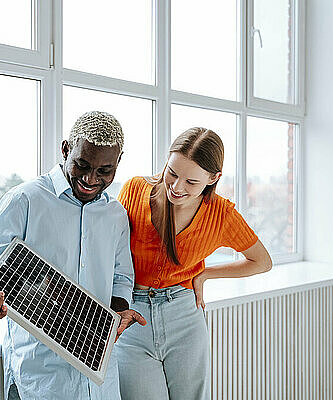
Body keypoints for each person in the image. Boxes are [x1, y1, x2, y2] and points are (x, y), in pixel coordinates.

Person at [0, 111, 147, 400]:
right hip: (40, 372)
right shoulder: (26, 199)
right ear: (66, 150)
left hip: (99, 371)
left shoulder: (115, 215)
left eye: (104, 171)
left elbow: (121, 276)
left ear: (118, 162)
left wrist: (117, 313)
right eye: (82, 165)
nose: (91, 179)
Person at [114, 127, 272, 400]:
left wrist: (205, 274)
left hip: (184, 317)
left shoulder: (222, 214)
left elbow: (261, 261)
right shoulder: (134, 190)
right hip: (131, 317)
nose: (177, 187)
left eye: (191, 182)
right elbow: (110, 250)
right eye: (172, 173)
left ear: (213, 178)